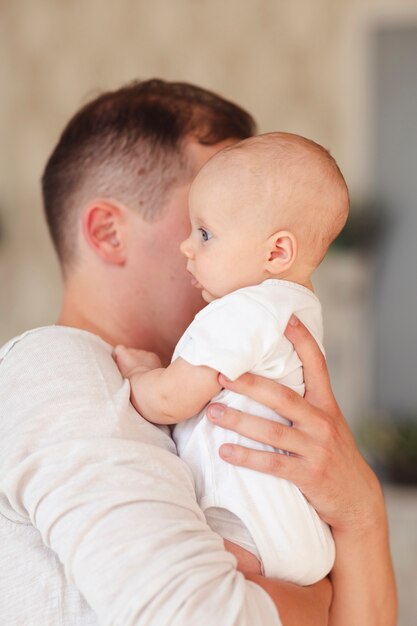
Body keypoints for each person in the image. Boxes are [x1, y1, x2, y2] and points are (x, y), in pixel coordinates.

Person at [0, 79, 396, 626]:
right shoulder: (56, 369)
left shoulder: (227, 384)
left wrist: (362, 512)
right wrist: (323, 602)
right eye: (204, 221)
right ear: (109, 233)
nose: (202, 243)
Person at [114, 131, 349, 584]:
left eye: (205, 233)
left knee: (154, 571)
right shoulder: (296, 308)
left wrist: (142, 372)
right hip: (286, 525)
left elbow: (169, 400)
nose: (188, 246)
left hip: (244, 522)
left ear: (277, 251)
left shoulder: (243, 311)